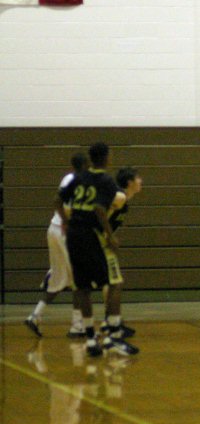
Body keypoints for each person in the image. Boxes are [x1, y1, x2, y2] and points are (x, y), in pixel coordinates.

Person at [55, 142, 121, 357]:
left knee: (82, 287)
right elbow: (100, 209)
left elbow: (57, 201)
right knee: (112, 282)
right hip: (91, 234)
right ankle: (111, 334)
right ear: (106, 157)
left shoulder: (79, 177)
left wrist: (66, 221)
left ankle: (91, 338)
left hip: (74, 234)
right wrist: (110, 235)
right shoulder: (106, 181)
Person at [24, 152, 88, 338]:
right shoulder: (79, 182)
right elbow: (59, 201)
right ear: (85, 165)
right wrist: (68, 221)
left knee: (59, 277)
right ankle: (77, 325)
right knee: (78, 278)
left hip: (54, 229)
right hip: (64, 232)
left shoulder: (68, 177)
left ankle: (35, 316)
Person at [99, 167, 143, 345]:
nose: (141, 181)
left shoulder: (124, 199)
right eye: (138, 178)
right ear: (130, 182)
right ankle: (113, 326)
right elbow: (99, 211)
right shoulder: (120, 197)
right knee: (116, 282)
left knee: (111, 282)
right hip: (99, 243)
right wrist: (109, 236)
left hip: (101, 243)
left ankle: (110, 322)